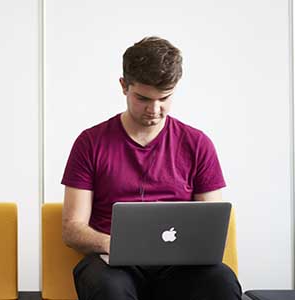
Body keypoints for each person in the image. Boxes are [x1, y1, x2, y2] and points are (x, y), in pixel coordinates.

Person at [61, 36, 242, 300]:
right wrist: (115, 245)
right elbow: (72, 228)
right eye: (143, 98)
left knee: (221, 281)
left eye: (164, 98)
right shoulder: (90, 142)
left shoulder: (197, 144)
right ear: (124, 86)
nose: (154, 110)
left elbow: (213, 226)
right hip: (112, 265)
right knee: (107, 287)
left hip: (181, 268)